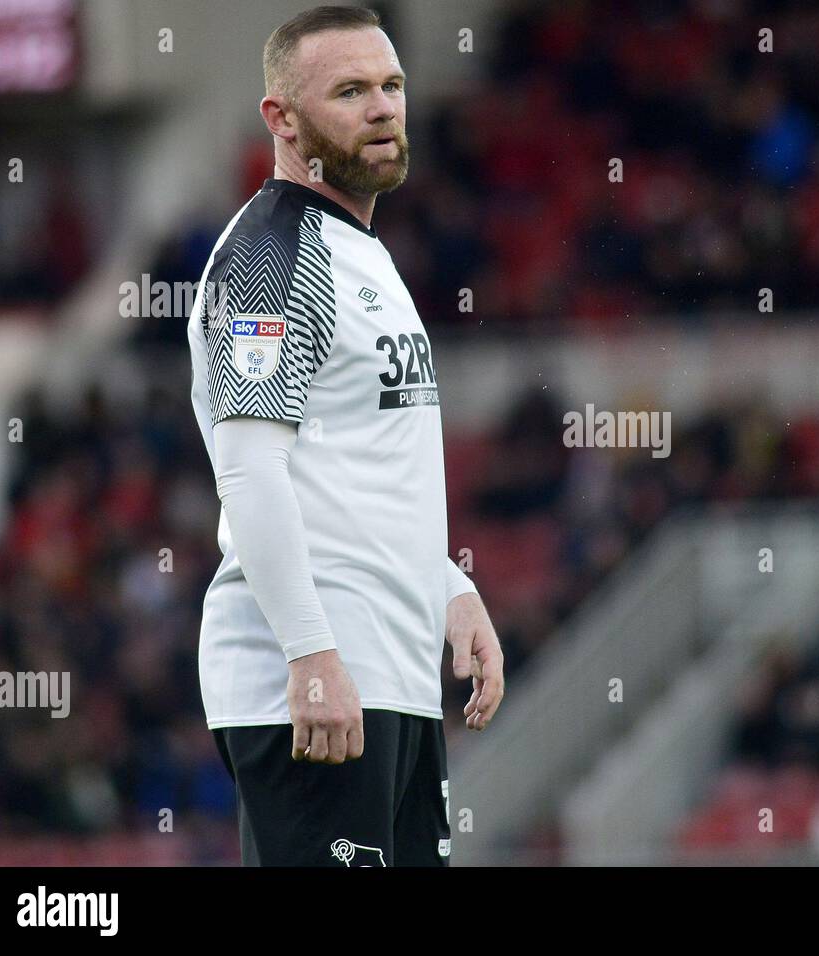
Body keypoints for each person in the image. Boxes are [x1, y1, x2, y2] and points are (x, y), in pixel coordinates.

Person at [185, 5, 504, 867]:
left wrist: (448, 588)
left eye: (393, 85)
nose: (382, 108)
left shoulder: (361, 252)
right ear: (281, 119)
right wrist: (310, 653)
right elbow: (250, 473)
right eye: (351, 90)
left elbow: (355, 466)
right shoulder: (271, 255)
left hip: (389, 674)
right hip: (317, 680)